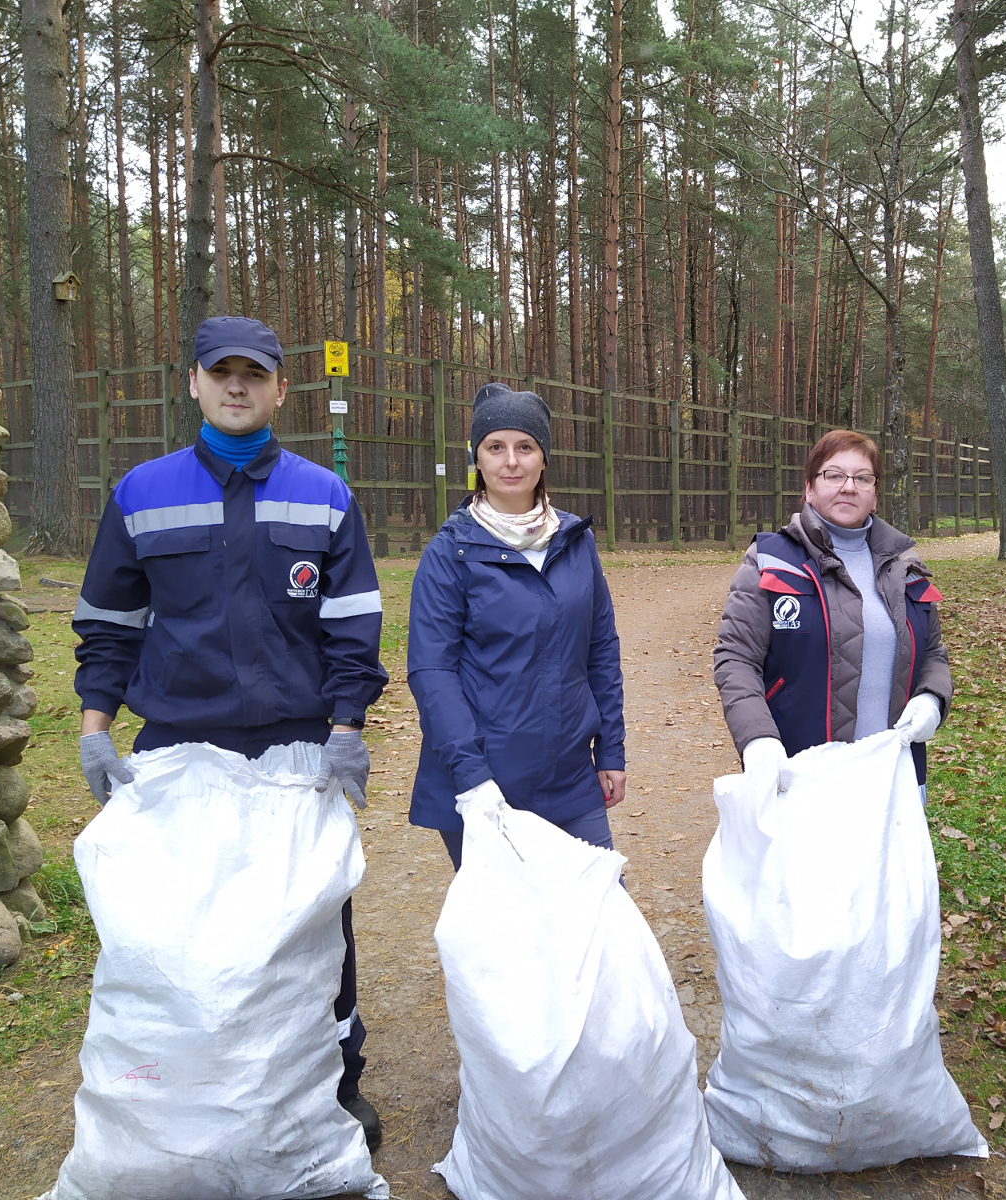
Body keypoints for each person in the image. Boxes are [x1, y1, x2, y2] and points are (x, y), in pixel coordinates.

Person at [72, 315, 389, 1148]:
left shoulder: (325, 496)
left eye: (255, 374)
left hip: (293, 750)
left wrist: (348, 723)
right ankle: (190, 1090)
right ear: (195, 385)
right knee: (181, 925)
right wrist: (95, 727)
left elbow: (353, 623)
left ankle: (334, 1083)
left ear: (283, 388)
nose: (237, 387)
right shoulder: (143, 493)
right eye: (222, 373)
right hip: (177, 750)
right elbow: (110, 622)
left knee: (315, 924)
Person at [406, 383, 625, 869]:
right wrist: (473, 777)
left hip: (570, 778)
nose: (511, 461)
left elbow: (600, 650)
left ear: (543, 459)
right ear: (477, 459)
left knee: (596, 920)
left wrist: (610, 750)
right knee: (507, 939)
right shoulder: (449, 553)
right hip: (483, 784)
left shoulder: (575, 542)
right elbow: (431, 672)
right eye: (495, 447)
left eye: (525, 447)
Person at [714, 429, 949, 793]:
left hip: (894, 775)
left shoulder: (906, 567)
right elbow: (736, 659)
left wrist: (932, 696)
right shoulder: (771, 559)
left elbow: (933, 652)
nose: (849, 486)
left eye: (862, 478)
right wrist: (758, 738)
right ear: (809, 488)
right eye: (834, 475)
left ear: (874, 495)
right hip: (800, 774)